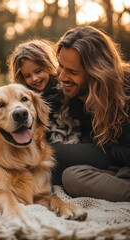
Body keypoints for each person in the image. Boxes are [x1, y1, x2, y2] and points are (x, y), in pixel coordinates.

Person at [53, 25, 130, 202]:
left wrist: (96, 149)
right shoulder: (73, 92)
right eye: (60, 65)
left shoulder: (124, 94)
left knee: (55, 154)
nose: (62, 77)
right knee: (71, 177)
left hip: (123, 158)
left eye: (72, 72)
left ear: (96, 73)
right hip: (115, 163)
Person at [7, 38, 81, 144]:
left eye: (38, 71)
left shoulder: (66, 90)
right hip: (44, 148)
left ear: (48, 65)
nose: (34, 78)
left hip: (74, 143)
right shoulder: (25, 101)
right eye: (27, 76)